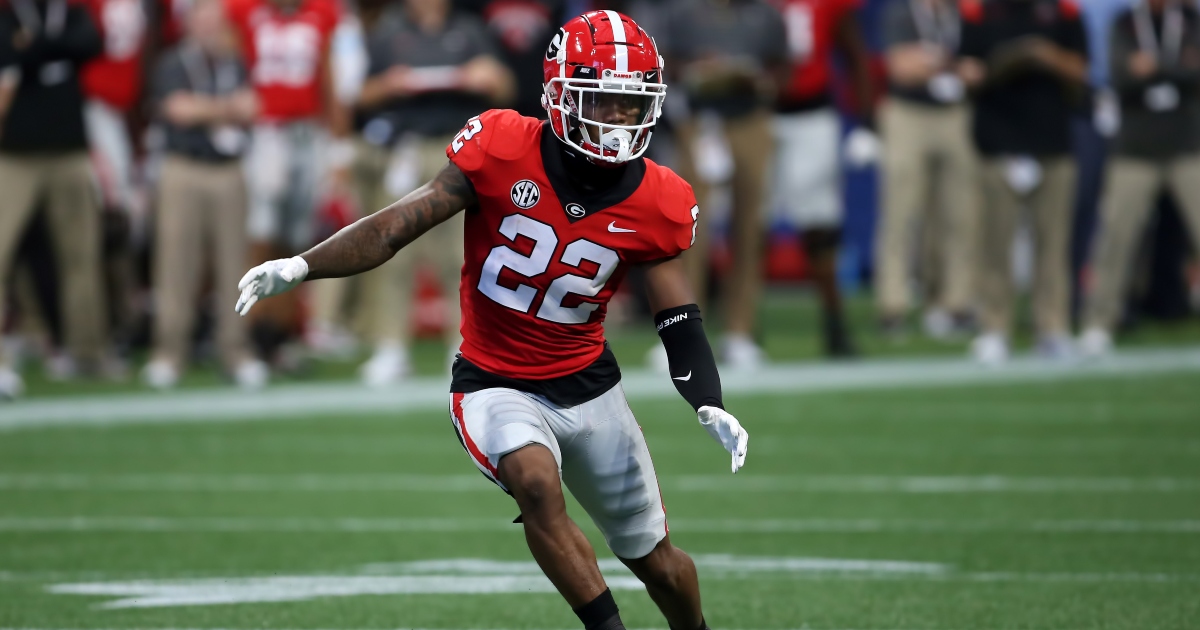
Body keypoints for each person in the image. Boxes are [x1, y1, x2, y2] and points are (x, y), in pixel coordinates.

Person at [235, 12, 748, 630]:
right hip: (493, 378)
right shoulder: (501, 144)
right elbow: (397, 225)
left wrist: (707, 398)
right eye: (603, 101)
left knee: (659, 564)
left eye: (629, 103)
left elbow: (677, 312)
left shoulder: (658, 198)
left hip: (590, 383)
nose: (616, 119)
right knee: (535, 482)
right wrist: (300, 266)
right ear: (560, 94)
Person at [352, 0, 515, 384]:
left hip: (459, 148)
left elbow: (506, 87)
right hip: (404, 147)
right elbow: (360, 96)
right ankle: (391, 346)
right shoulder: (389, 30)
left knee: (461, 252)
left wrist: (486, 76)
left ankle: (464, 345)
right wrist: (388, 84)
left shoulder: (470, 29)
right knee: (393, 249)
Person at [141, 0, 268, 389]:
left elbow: (253, 107)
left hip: (229, 170)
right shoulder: (173, 63)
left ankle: (235, 350)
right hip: (185, 168)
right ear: (190, 23)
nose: (211, 27)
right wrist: (226, 109)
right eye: (204, 19)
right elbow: (179, 110)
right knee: (177, 263)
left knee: (236, 266)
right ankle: (169, 352)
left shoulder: (234, 61)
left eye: (217, 20)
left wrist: (210, 110)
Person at [657, 0, 789, 370]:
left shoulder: (765, 15)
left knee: (749, 227)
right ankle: (681, 333)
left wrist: (758, 78)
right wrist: (701, 69)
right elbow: (665, 63)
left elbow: (782, 67)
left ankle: (740, 332)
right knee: (687, 227)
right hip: (700, 122)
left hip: (750, 119)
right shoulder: (684, 13)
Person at [959, 0, 1089, 364]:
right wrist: (989, 69)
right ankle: (995, 329)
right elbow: (964, 69)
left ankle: (1052, 328)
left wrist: (1045, 56)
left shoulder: (1063, 9)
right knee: (995, 242)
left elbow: (1081, 69)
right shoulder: (978, 9)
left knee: (1052, 241)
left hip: (1052, 139)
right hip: (997, 138)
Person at [225, 0, 343, 364]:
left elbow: (327, 75)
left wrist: (338, 143)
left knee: (297, 238)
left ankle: (282, 332)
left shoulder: (322, 12)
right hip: (265, 129)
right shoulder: (244, 10)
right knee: (261, 230)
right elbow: (231, 67)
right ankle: (251, 329)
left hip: (307, 130)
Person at [1080, 0, 1200, 357]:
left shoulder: (1190, 19)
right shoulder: (1127, 22)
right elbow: (1120, 75)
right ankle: (1098, 322)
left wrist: (1157, 67)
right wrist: (1178, 67)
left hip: (1187, 144)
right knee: (1116, 237)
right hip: (1135, 147)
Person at [0, 0, 106, 397]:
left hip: (69, 150)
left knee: (81, 253)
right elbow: (9, 54)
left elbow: (91, 44)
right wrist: (50, 50)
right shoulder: (10, 16)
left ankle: (87, 351)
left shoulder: (71, 13)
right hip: (13, 154)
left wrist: (35, 47)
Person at [768, 0, 876, 357]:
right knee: (752, 226)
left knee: (820, 228)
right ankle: (741, 332)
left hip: (813, 113)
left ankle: (835, 324)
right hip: (760, 112)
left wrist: (866, 122)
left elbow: (855, 53)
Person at [876, 0, 979, 340]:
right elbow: (901, 68)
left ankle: (954, 302)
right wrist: (950, 65)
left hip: (955, 113)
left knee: (959, 214)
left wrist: (932, 63)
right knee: (901, 212)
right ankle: (893, 304)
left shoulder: (961, 14)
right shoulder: (901, 13)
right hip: (908, 114)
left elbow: (977, 69)